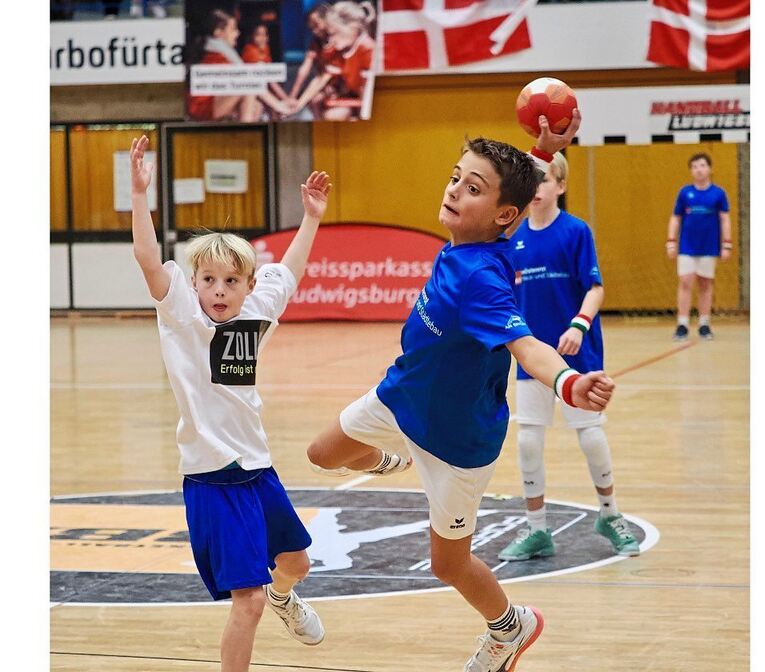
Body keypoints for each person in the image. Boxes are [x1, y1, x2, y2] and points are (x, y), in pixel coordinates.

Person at [307, 113, 617, 672]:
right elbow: (518, 202)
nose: (454, 190)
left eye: (472, 188)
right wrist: (541, 151)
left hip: (457, 443)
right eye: (455, 177)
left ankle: (510, 628)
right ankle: (393, 460)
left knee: (448, 566)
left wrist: (568, 382)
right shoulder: (484, 237)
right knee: (322, 454)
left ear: (501, 215)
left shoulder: (483, 279)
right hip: (400, 397)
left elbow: (527, 347)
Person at [129, 134, 331, 672]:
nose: (219, 291)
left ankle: (288, 598)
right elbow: (149, 261)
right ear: (193, 283)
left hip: (257, 469)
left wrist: (311, 217)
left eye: (230, 282)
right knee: (249, 601)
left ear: (246, 287)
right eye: (209, 281)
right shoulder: (182, 315)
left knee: (296, 564)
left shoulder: (256, 311)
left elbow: (289, 273)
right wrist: (139, 193)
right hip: (211, 479)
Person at [497, 152, 640, 564]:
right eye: (532, 181)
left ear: (560, 186)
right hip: (532, 358)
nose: (537, 187)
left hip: (580, 355)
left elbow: (595, 289)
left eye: (546, 180)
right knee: (527, 441)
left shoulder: (576, 232)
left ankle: (610, 515)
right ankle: (537, 529)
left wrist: (579, 324)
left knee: (591, 437)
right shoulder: (514, 241)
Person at [665, 152, 732, 341]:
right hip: (687, 246)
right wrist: (671, 241)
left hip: (709, 246)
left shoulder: (718, 194)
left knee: (705, 284)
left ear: (709, 169)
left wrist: (727, 244)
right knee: (685, 282)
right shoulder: (685, 193)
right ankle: (682, 323)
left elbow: (725, 219)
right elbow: (676, 218)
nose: (699, 170)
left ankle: (704, 323)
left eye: (702, 165)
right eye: (694, 166)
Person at [187, 10, 293, 122]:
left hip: (214, 103)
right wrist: (279, 105)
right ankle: (246, 134)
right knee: (247, 86)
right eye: (233, 30)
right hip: (202, 108)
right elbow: (250, 81)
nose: (237, 33)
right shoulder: (217, 55)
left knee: (256, 105)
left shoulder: (221, 52)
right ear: (218, 32)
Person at [292, 1, 375, 120]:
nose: (331, 41)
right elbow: (322, 77)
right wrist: (298, 104)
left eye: (334, 34)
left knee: (333, 115)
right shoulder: (342, 50)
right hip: (350, 97)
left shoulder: (367, 50)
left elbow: (368, 95)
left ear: (351, 28)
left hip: (363, 105)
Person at [241, 23, 292, 109]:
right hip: (250, 91)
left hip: (263, 90)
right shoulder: (250, 51)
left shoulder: (265, 49)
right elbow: (269, 79)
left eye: (265, 35)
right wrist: (286, 99)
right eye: (258, 35)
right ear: (252, 37)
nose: (262, 38)